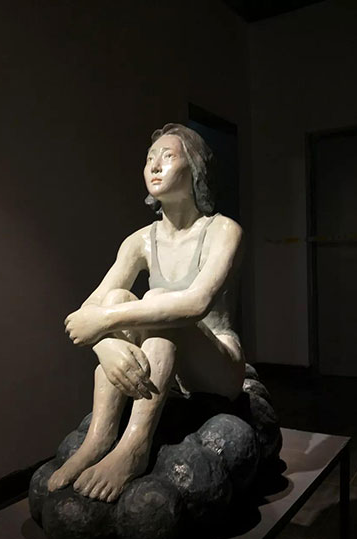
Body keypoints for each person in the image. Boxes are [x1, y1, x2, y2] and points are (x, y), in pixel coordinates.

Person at [47, 123, 245, 503]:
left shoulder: (222, 230)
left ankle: (134, 446)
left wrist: (105, 323)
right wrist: (107, 347)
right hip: (163, 359)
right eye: (150, 159)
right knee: (118, 296)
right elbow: (87, 312)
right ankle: (99, 438)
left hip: (216, 366)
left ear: (194, 168)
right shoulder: (140, 241)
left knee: (153, 301)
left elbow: (196, 304)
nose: (154, 166)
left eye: (167, 157)